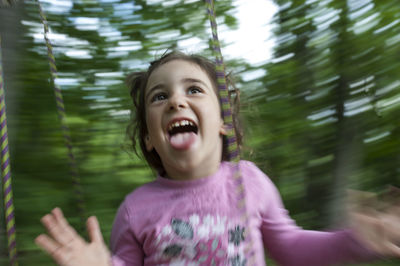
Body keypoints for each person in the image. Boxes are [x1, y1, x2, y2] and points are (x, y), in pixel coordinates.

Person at [35, 51, 400, 266]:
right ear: (149, 138)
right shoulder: (136, 209)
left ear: (224, 123)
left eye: (193, 89)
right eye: (159, 97)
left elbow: (291, 245)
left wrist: (354, 241)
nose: (176, 101)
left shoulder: (249, 181)